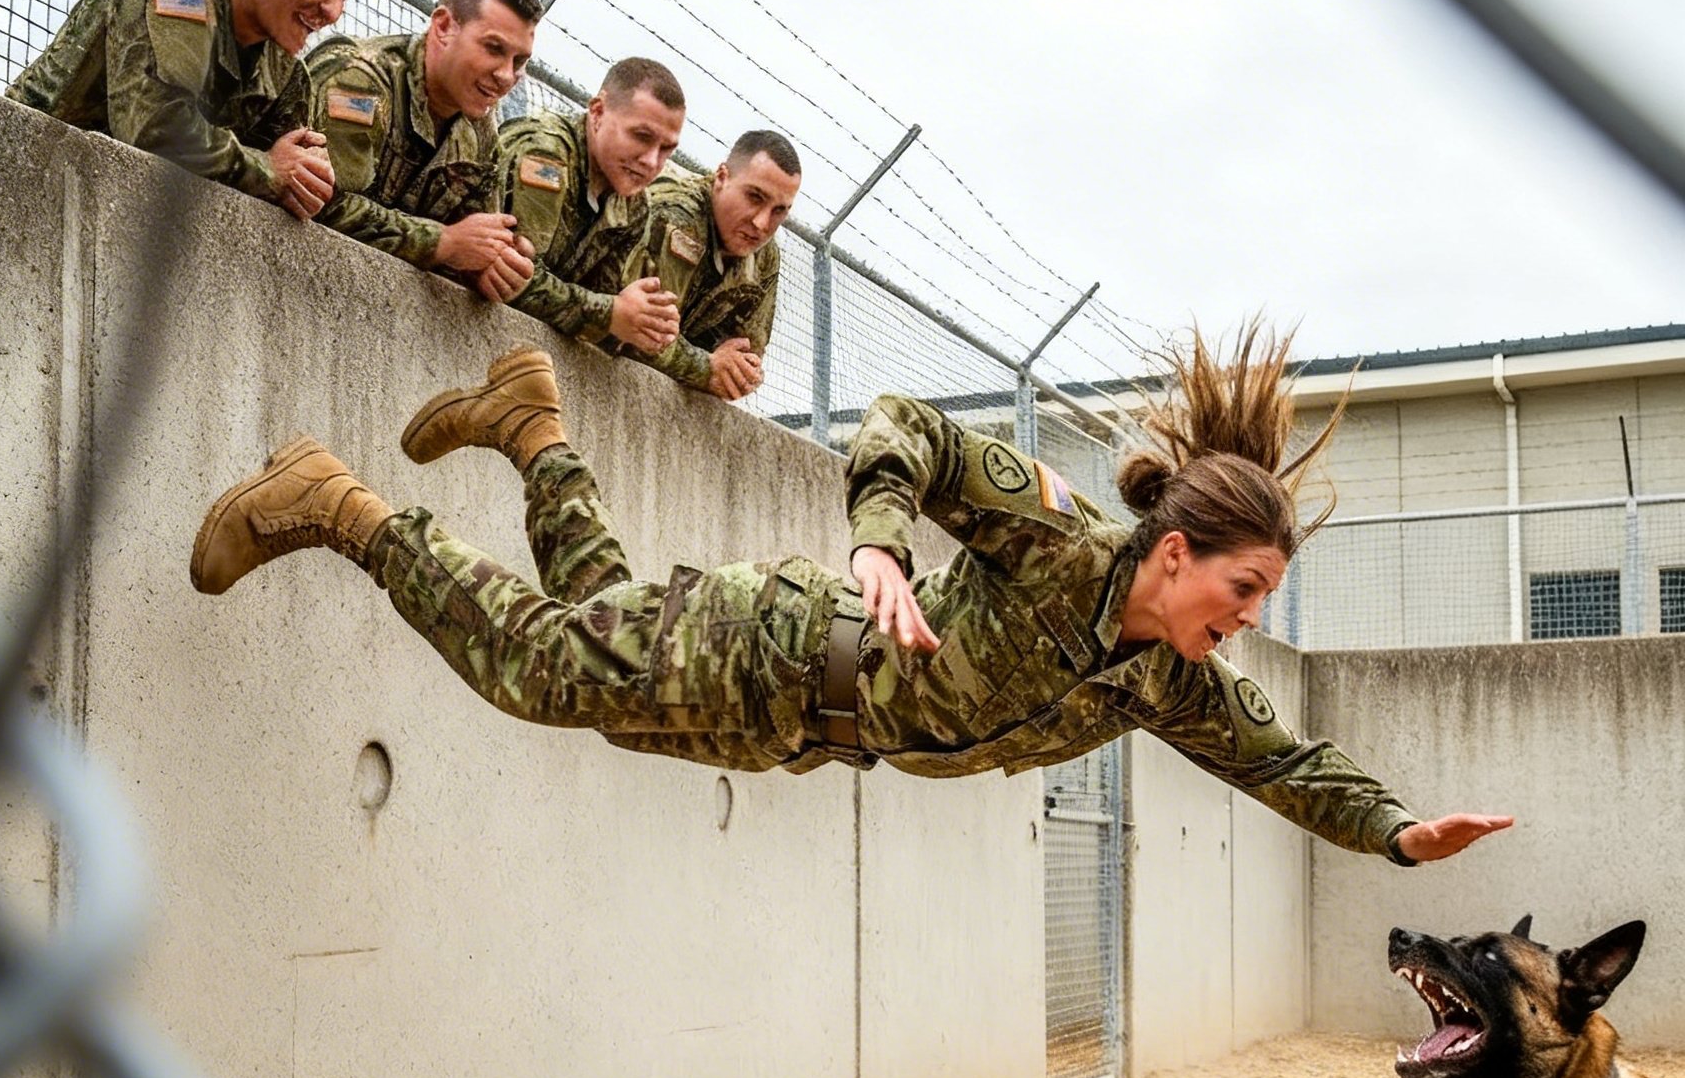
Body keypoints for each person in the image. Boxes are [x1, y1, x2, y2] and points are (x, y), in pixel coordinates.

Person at [185, 325, 1510, 865]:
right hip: (769, 644)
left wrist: (1397, 833)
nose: (1252, 617)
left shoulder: (1170, 679)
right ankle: (337, 503)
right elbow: (908, 427)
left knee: (593, 661)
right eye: (1246, 586)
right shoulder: (1059, 543)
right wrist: (879, 542)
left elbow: (1289, 763)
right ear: (1175, 557)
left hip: (798, 728)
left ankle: (535, 430)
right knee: (539, 670)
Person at [7, 0, 372, 222]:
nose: (334, 12)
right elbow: (156, 128)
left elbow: (295, 183)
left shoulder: (287, 73)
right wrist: (267, 169)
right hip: (25, 180)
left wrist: (307, 179)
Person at [305, 0, 541, 299]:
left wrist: (492, 267)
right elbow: (324, 203)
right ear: (443, 27)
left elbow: (476, 242)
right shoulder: (360, 80)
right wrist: (442, 243)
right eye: (494, 49)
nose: (506, 75)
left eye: (519, 61)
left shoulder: (479, 131)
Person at [492, 58, 686, 356]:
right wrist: (610, 315)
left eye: (666, 149)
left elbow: (604, 306)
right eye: (641, 137)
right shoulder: (546, 156)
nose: (651, 161)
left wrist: (644, 326)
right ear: (597, 112)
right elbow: (515, 282)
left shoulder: (633, 204)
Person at [625, 131, 801, 400]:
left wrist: (736, 371)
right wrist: (706, 366)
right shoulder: (678, 217)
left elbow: (745, 357)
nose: (762, 224)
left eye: (779, 211)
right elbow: (642, 335)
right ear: (722, 178)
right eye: (755, 197)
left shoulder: (764, 254)